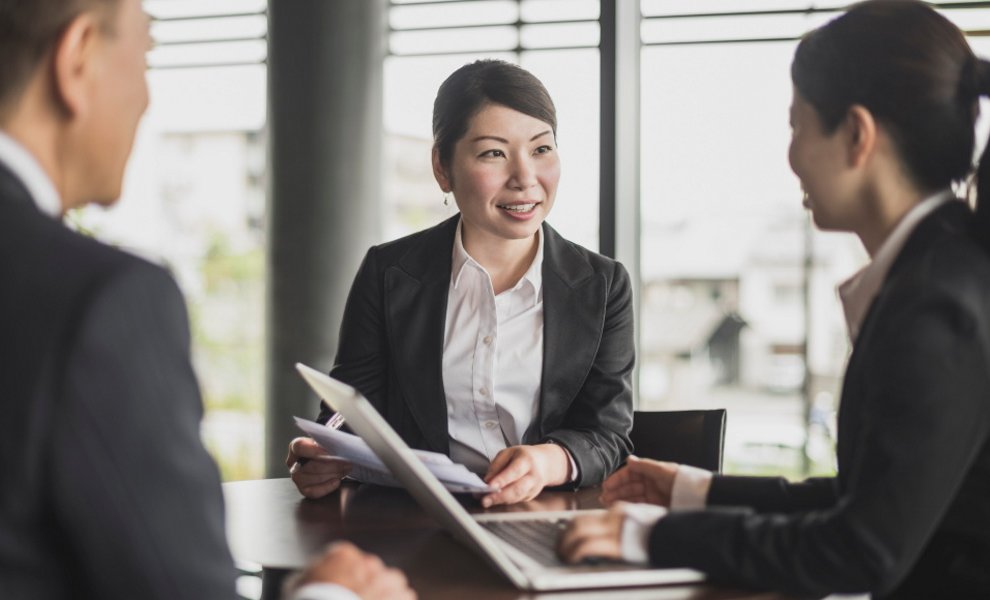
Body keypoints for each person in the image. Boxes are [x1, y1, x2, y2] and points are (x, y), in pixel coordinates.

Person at [558, 2, 990, 598]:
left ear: (857, 135)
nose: (791, 157)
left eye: (798, 127)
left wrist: (654, 538)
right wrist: (694, 493)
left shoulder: (935, 304)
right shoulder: (942, 270)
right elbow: (867, 498)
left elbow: (863, 550)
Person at [0, 1, 414, 599]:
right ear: (78, 56)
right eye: (144, 59)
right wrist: (335, 595)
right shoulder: (100, 300)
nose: (145, 98)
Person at [288, 59, 634, 508]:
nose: (525, 178)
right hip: (414, 524)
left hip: (547, 521)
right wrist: (322, 453)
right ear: (442, 167)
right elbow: (350, 413)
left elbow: (608, 434)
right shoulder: (388, 272)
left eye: (541, 149)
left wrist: (546, 461)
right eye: (493, 152)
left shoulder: (603, 286)